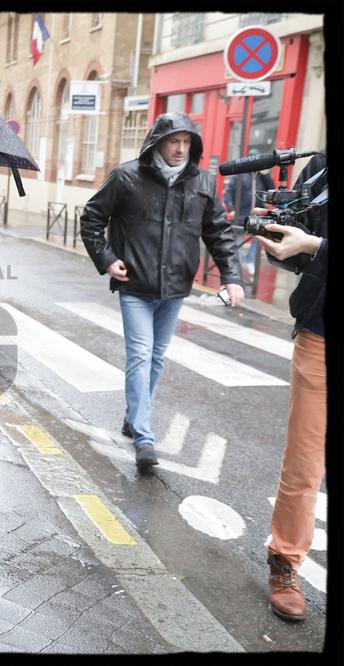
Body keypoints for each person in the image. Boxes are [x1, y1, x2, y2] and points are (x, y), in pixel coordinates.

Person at [79, 112, 244, 472]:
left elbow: (217, 231)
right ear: (158, 142)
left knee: (155, 357)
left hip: (174, 288)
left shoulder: (202, 181)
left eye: (187, 143)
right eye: (174, 141)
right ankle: (143, 436)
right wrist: (107, 259)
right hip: (134, 285)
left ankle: (133, 417)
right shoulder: (127, 177)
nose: (180, 149)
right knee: (140, 354)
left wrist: (232, 277)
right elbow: (91, 217)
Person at [252, 152, 327, 622]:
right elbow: (303, 260)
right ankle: (285, 559)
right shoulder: (320, 168)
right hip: (320, 333)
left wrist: (317, 244)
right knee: (304, 461)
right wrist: (282, 238)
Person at [222, 153, 275, 281]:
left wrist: (266, 174)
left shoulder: (262, 176)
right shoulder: (240, 176)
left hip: (257, 215)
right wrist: (231, 209)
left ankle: (249, 260)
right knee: (238, 241)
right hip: (241, 214)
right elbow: (228, 193)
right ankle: (239, 265)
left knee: (258, 238)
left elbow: (272, 190)